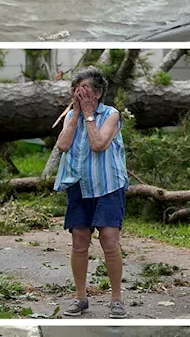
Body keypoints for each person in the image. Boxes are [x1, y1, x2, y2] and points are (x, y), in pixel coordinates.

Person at [54, 65, 129, 319]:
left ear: (97, 93)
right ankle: (80, 297)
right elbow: (63, 145)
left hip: (108, 186)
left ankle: (116, 299)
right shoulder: (70, 116)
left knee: (109, 239)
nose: (80, 93)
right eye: (77, 89)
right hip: (79, 185)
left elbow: (98, 144)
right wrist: (76, 113)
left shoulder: (111, 115)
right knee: (79, 241)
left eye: (85, 89)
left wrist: (88, 114)